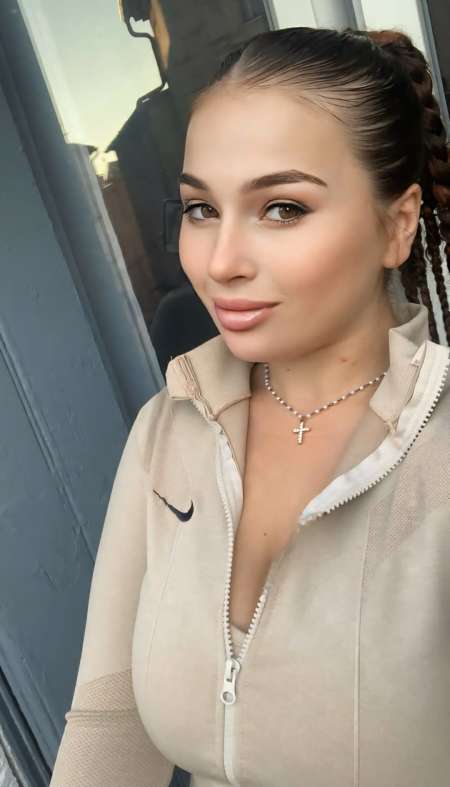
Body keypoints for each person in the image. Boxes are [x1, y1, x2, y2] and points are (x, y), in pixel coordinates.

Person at [50, 25, 450, 787]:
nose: (221, 261)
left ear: (397, 225)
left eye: (283, 208)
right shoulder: (167, 433)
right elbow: (110, 726)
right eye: (201, 209)